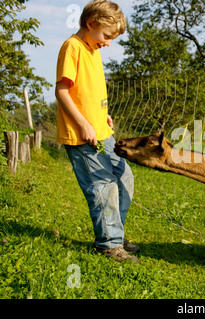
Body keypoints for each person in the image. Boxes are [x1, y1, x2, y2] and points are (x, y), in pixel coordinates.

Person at [55, 0, 138, 263]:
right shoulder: (73, 47)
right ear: (91, 24)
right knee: (103, 187)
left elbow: (87, 92)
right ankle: (108, 244)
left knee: (124, 179)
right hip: (82, 136)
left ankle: (114, 230)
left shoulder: (92, 49)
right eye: (106, 36)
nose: (108, 43)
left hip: (102, 131)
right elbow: (62, 91)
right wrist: (84, 124)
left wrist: (102, 116)